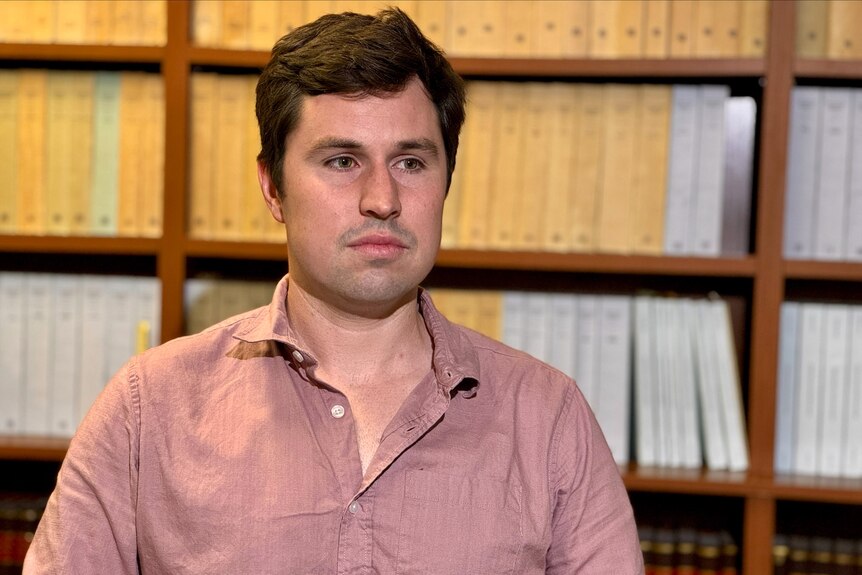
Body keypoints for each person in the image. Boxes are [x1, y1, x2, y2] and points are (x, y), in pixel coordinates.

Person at [24, 8, 643, 574]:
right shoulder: (148, 409)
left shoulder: (548, 418)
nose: (382, 200)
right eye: (342, 161)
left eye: (411, 162)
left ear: (446, 182)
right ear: (272, 188)